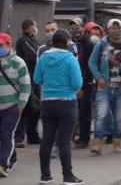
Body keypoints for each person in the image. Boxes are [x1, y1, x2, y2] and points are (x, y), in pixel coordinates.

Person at [34, 29, 83, 185]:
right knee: (64, 141)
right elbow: (77, 83)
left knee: (47, 140)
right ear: (67, 41)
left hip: (47, 102)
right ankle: (67, 176)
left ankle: (45, 176)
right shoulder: (70, 59)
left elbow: (37, 78)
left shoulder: (43, 57)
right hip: (66, 102)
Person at [88, 19, 121, 155]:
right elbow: (91, 63)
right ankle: (97, 142)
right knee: (101, 114)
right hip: (105, 86)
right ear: (108, 30)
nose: (115, 30)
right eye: (112, 28)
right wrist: (98, 77)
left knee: (118, 117)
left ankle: (117, 141)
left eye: (118, 28)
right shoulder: (101, 44)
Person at [0, 33, 31, 177]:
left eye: (1, 46)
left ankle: (2, 165)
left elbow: (26, 85)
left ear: (9, 45)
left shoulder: (18, 62)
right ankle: (11, 158)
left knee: (6, 133)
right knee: (4, 135)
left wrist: (21, 104)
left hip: (12, 106)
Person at [69, 18, 96, 149]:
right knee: (72, 112)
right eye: (72, 27)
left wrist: (82, 86)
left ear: (83, 27)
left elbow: (90, 66)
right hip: (71, 84)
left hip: (85, 84)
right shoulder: (71, 43)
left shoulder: (88, 43)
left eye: (77, 27)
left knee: (84, 112)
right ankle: (71, 136)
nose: (75, 30)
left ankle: (84, 139)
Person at [14, 19, 41, 147]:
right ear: (29, 27)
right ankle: (18, 137)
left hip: (35, 78)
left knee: (35, 108)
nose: (36, 28)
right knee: (25, 108)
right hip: (26, 78)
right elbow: (34, 56)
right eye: (34, 26)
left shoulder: (34, 40)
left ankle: (33, 136)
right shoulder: (23, 40)